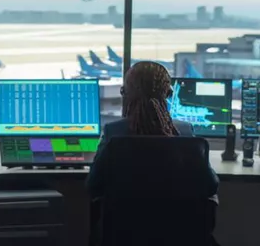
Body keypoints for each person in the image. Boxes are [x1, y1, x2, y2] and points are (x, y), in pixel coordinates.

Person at [87, 60, 219, 199]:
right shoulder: (184, 132)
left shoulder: (113, 132)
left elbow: (93, 185)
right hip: (176, 220)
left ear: (125, 93)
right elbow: (210, 185)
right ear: (168, 94)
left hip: (125, 220)